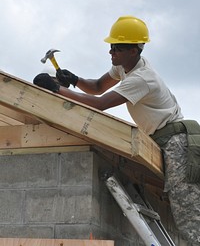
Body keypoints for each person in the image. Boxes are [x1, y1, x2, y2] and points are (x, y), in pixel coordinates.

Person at [33, 15, 200, 244]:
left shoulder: (142, 78)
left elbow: (100, 105)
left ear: (134, 50)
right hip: (166, 139)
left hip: (178, 144)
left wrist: (56, 88)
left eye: (117, 48)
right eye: (111, 47)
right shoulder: (125, 67)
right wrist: (74, 79)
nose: (111, 52)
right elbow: (98, 88)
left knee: (190, 219)